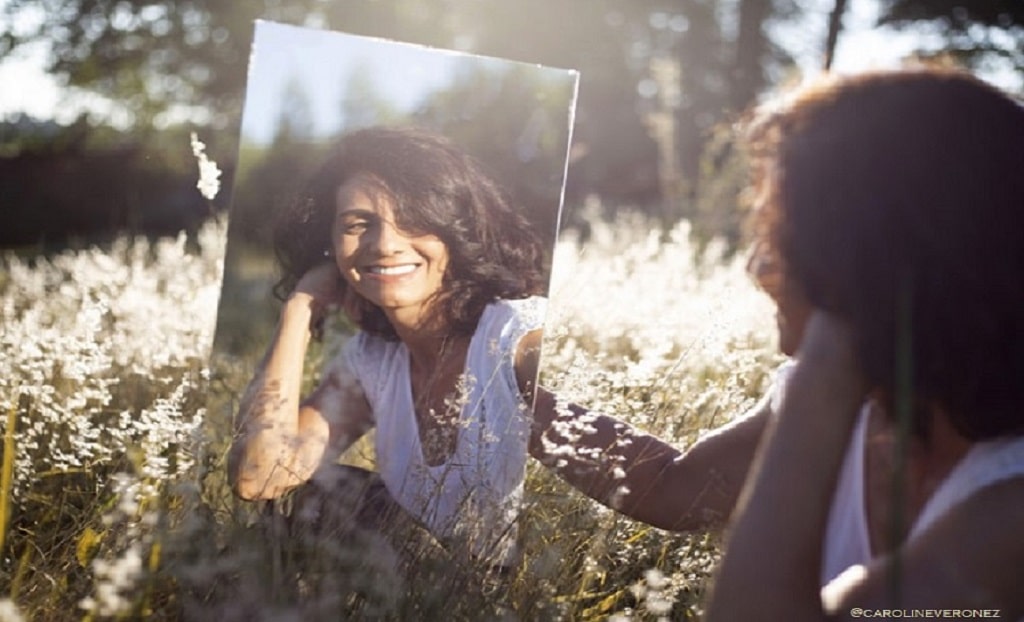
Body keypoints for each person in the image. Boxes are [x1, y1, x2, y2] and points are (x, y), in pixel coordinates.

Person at [703, 68, 1024, 619]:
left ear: (870, 261)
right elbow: (673, 485)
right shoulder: (876, 417)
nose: (758, 268)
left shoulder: (1010, 513)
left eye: (784, 238)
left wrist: (826, 371)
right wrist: (525, 391)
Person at [228, 125, 552, 568]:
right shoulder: (374, 360)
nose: (385, 244)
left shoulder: (520, 335)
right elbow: (260, 477)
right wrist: (301, 308)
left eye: (414, 218)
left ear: (457, 231)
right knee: (316, 499)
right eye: (358, 224)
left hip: (534, 596)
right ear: (330, 247)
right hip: (430, 596)